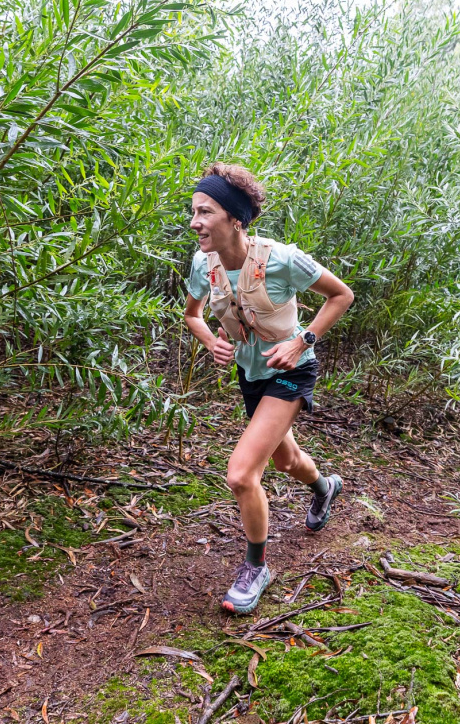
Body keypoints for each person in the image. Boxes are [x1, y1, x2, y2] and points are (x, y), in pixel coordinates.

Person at [183, 163, 354, 614]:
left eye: (205, 212)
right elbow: (192, 315)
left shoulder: (280, 258)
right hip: (251, 374)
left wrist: (303, 341)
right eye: (193, 212)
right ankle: (325, 487)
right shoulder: (204, 265)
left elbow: (341, 295)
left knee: (242, 474)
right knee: (286, 458)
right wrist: (211, 343)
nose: (195, 221)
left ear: (235, 219)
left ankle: (255, 566)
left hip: (292, 372)